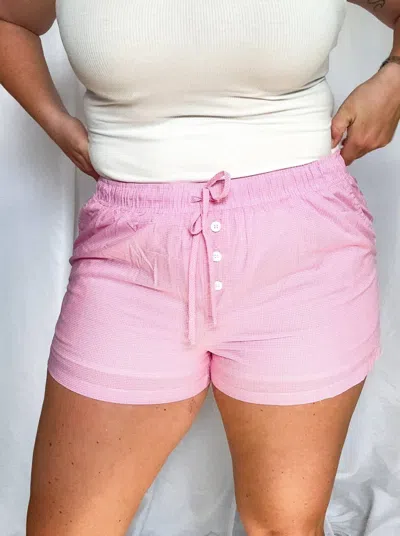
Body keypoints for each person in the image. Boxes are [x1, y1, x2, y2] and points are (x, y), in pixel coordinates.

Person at [1, 1, 400, 534]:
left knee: (284, 526)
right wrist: (57, 124)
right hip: (130, 259)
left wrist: (395, 76)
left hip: (302, 256)